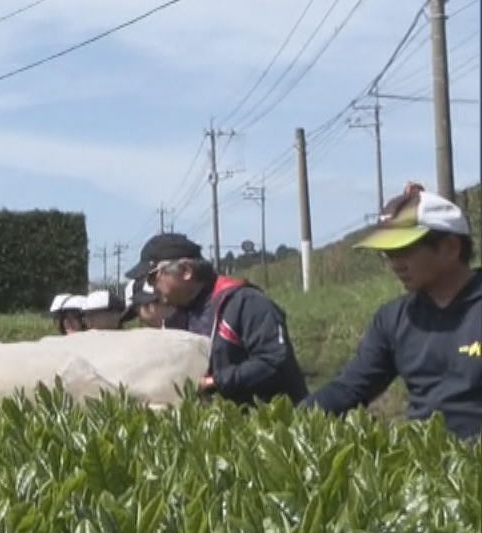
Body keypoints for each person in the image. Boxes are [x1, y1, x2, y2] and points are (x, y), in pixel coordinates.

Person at [304, 184, 481, 439]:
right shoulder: (394, 319)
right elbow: (350, 389)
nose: (394, 264)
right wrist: (287, 422)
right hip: (425, 464)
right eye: (387, 253)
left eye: (403, 250)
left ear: (450, 248)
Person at [129, 232, 308, 406]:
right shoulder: (174, 319)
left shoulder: (245, 303)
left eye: (153, 276)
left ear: (185, 271)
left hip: (270, 423)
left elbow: (275, 361)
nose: (151, 286)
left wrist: (214, 382)